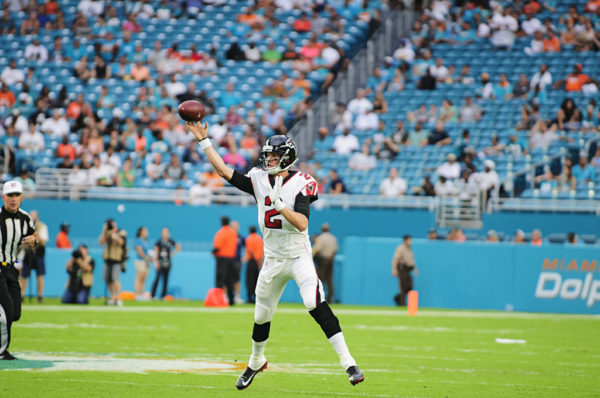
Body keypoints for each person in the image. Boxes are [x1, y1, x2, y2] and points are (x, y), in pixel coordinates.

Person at [185, 122, 363, 388]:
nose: (268, 159)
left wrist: (281, 206)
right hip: (272, 259)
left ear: (287, 158)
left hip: (298, 256)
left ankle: (349, 363)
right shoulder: (258, 179)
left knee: (313, 301)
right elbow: (224, 171)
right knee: (260, 315)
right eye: (267, 155)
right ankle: (256, 361)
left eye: (274, 156)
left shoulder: (301, 182)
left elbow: (302, 223)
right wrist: (204, 141)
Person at [0, 181, 39, 360]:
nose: (13, 199)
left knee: (15, 313)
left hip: (11, 268)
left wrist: (34, 241)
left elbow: (33, 238)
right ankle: (2, 351)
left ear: (22, 198)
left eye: (16, 195)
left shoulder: (25, 219)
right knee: (7, 309)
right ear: (3, 197)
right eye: (10, 195)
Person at [20, 210, 48, 303]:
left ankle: (40, 295)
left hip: (39, 253)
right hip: (28, 253)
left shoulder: (42, 226)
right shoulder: (24, 226)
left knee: (39, 275)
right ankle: (22, 294)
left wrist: (35, 235)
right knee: (24, 275)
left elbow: (43, 241)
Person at [98, 218, 127, 306]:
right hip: (107, 259)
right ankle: (112, 297)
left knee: (116, 279)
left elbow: (122, 242)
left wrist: (114, 234)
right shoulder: (106, 232)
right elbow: (100, 242)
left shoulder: (121, 232)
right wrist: (104, 231)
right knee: (108, 280)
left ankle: (118, 298)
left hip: (116, 259)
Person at [212, 216, 237, 305]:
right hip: (231, 259)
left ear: (221, 222)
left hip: (222, 259)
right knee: (230, 280)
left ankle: (218, 301)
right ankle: (231, 300)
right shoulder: (233, 233)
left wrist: (212, 252)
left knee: (220, 280)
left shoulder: (220, 232)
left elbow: (217, 247)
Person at [151, 227, 181, 299]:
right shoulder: (159, 242)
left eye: (166, 232)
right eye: (164, 232)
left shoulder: (170, 241)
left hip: (167, 262)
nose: (165, 233)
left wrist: (172, 253)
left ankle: (163, 295)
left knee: (166, 280)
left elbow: (178, 247)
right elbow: (156, 252)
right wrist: (156, 261)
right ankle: (153, 295)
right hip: (160, 262)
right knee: (157, 278)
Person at [312, 223, 338, 303]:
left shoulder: (320, 238)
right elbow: (335, 250)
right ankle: (330, 298)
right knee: (329, 280)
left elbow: (317, 250)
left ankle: (319, 298)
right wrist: (331, 258)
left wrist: (313, 258)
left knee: (320, 279)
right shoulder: (333, 238)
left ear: (322, 229)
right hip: (330, 260)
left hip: (322, 261)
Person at [391, 234, 418, 306]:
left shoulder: (409, 249)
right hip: (402, 269)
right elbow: (395, 259)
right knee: (403, 287)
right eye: (409, 240)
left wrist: (414, 268)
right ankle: (402, 303)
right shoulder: (400, 248)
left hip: (408, 270)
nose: (410, 241)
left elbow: (411, 260)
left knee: (409, 286)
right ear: (405, 240)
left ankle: (397, 298)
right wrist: (394, 269)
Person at [244, 226, 263, 304]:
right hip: (258, 261)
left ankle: (249, 298)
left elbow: (250, 250)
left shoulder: (249, 239)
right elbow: (261, 250)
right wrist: (259, 261)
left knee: (249, 280)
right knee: (256, 280)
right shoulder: (259, 239)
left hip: (252, 260)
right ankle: (256, 298)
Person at [134, 226, 153, 300]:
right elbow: (140, 252)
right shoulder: (139, 240)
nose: (146, 232)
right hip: (140, 261)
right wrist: (146, 257)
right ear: (140, 232)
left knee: (143, 279)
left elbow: (148, 251)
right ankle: (137, 294)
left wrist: (150, 257)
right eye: (145, 231)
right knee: (139, 277)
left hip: (146, 262)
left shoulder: (146, 241)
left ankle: (142, 294)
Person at [230, 221, 245, 305]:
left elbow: (247, 246)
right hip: (228, 260)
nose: (235, 227)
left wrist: (245, 257)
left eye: (236, 226)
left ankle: (237, 296)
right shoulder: (228, 236)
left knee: (237, 279)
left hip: (237, 261)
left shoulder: (240, 237)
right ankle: (225, 296)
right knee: (226, 279)